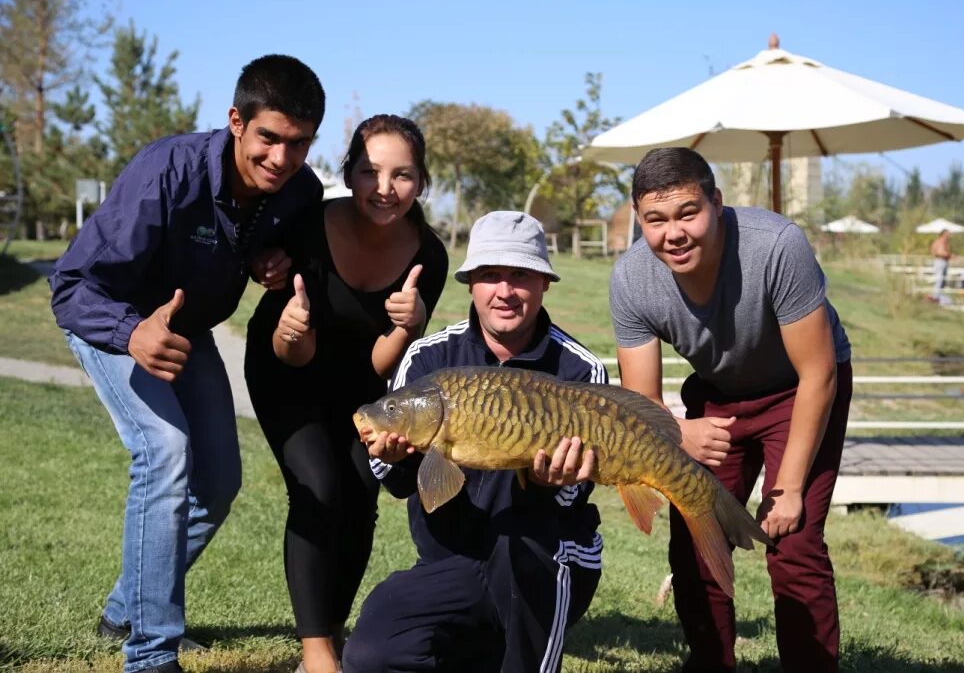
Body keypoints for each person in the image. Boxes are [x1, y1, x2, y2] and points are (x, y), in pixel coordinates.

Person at [48, 55, 326, 673]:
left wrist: (272, 258)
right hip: (110, 318)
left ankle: (127, 608)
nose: (282, 158)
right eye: (269, 139)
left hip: (185, 331)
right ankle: (150, 654)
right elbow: (70, 288)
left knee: (219, 482)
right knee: (165, 453)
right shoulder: (165, 171)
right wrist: (129, 332)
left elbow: (282, 249)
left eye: (299, 143)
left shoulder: (298, 192)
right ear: (236, 121)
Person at [609, 148, 852, 673]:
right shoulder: (631, 278)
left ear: (716, 203)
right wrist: (680, 433)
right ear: (639, 220)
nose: (673, 233)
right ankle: (713, 663)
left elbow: (819, 373)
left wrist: (785, 491)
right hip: (718, 394)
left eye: (687, 213)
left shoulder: (777, 245)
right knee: (696, 533)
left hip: (799, 389)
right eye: (655, 220)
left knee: (795, 540)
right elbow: (642, 401)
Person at [342, 211, 606, 673]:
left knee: (520, 556)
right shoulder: (429, 359)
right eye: (489, 276)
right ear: (470, 285)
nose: (504, 292)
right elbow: (400, 483)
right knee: (371, 655)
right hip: (455, 561)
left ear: (545, 282)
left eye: (520, 275)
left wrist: (547, 484)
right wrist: (396, 458)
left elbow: (572, 498)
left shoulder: (580, 372)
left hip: (545, 556)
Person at [243, 114, 448, 673]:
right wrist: (287, 322)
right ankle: (316, 655)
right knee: (319, 486)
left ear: (422, 181)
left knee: (361, 491)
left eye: (402, 175)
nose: (385, 189)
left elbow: (380, 364)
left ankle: (331, 628)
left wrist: (410, 325)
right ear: (350, 173)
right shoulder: (306, 224)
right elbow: (289, 345)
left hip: (362, 387)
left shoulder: (429, 255)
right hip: (284, 364)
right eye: (370, 171)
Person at [930, 228, 952, 302]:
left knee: (942, 281)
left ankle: (939, 297)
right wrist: (947, 254)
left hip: (943, 262)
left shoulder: (944, 242)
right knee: (939, 279)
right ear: (944, 234)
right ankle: (935, 297)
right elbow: (938, 252)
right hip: (940, 262)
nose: (949, 235)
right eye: (948, 233)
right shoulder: (939, 242)